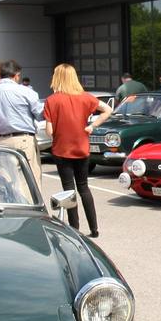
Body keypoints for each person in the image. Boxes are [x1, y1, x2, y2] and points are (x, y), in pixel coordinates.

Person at [43, 63, 112, 237]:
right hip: (82, 148)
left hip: (61, 149)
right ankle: (94, 228)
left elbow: (50, 131)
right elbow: (108, 110)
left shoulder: (52, 100)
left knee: (69, 189)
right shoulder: (85, 97)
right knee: (84, 187)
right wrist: (92, 126)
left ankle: (75, 229)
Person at [0, 59, 46, 186]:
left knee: (7, 183)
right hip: (23, 139)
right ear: (16, 75)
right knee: (29, 182)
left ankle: (11, 206)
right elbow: (40, 114)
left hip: (1, 141)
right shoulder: (26, 92)